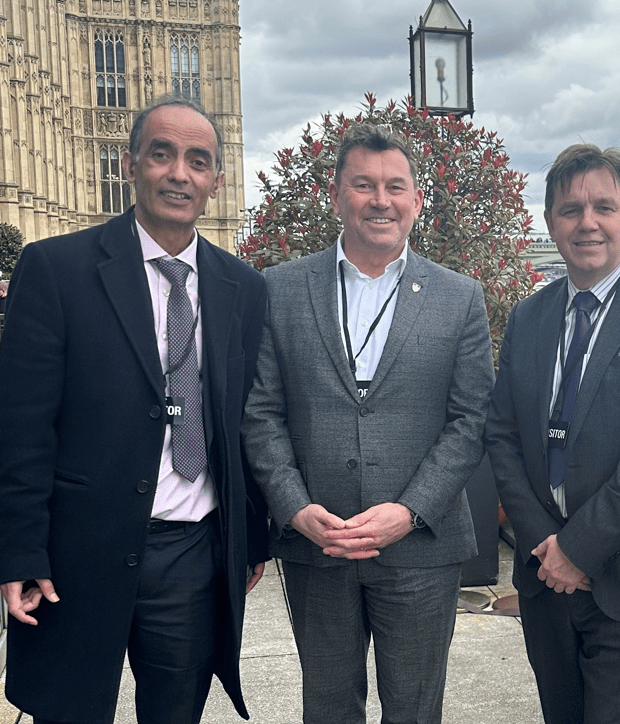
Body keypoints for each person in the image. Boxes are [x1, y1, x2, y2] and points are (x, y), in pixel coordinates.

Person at [0, 96, 269, 724]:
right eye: (162, 154)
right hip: (75, 556)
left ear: (216, 180)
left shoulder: (242, 287)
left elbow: (245, 422)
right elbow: (21, 432)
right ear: (130, 163)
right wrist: (17, 552)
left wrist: (251, 540)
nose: (179, 173)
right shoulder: (57, 269)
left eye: (199, 161)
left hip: (192, 557)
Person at [241, 123, 493, 723]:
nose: (381, 200)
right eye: (363, 184)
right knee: (327, 708)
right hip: (316, 543)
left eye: (395, 187)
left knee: (414, 709)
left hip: (422, 549)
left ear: (416, 201)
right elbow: (261, 412)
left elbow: (470, 420)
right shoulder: (279, 290)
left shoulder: (460, 297)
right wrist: (295, 509)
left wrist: (409, 511)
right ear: (335, 195)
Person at [485, 143, 620, 723]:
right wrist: (546, 548)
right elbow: (503, 436)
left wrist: (577, 550)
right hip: (545, 580)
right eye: (570, 209)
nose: (588, 222)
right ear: (550, 222)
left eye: (604, 207)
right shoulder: (529, 316)